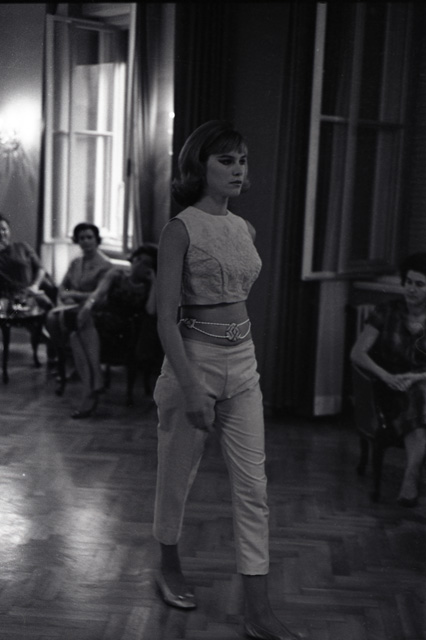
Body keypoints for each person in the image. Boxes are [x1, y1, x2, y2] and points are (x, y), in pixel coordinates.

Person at [152, 121, 304, 640]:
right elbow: (164, 318)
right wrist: (191, 385)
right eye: (226, 160)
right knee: (177, 476)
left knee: (254, 488)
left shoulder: (244, 229)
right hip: (192, 360)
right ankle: (168, 565)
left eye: (242, 160)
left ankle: (258, 611)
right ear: (200, 167)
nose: (238, 169)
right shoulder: (180, 229)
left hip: (243, 361)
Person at [351, 252, 426, 508]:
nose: (411, 289)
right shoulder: (387, 310)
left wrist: (416, 376)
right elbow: (357, 353)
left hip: (420, 383)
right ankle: (411, 478)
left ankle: (410, 476)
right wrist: (387, 376)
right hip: (387, 389)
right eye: (409, 282)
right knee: (419, 396)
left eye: (419, 284)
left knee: (420, 391)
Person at [70, 244, 160, 418]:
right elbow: (97, 294)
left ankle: (93, 387)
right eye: (138, 259)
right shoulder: (116, 275)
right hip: (103, 324)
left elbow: (150, 311)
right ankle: (92, 386)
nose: (139, 264)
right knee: (77, 330)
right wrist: (87, 307)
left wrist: (155, 280)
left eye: (146, 263)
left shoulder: (150, 286)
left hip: (125, 333)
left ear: (151, 268)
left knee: (76, 335)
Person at [46, 223, 112, 397]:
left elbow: (100, 295)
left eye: (89, 237)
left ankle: (77, 366)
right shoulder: (76, 262)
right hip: (72, 306)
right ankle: (65, 357)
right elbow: (63, 286)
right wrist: (66, 295)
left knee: (65, 320)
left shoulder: (105, 265)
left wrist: (74, 294)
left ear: (97, 240)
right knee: (51, 317)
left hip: (94, 310)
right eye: (81, 238)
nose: (85, 241)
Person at [0, 213, 54, 311]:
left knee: (50, 309)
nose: (1, 233)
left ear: (9, 230)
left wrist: (35, 286)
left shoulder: (22, 247)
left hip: (31, 294)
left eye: (4, 229)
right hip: (6, 299)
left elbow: (40, 268)